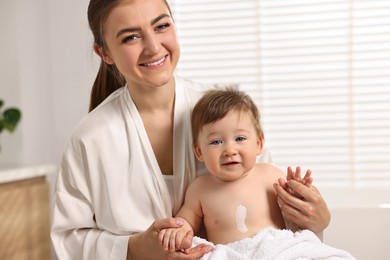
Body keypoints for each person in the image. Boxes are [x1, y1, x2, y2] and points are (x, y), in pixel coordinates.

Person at [50, 0, 331, 259]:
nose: (153, 47)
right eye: (130, 37)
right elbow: (68, 240)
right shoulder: (90, 139)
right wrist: (136, 248)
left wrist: (313, 219)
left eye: (161, 26)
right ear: (104, 53)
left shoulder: (224, 116)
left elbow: (273, 233)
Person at [158, 87, 354, 259]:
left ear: (259, 143)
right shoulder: (199, 188)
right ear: (199, 152)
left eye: (240, 138)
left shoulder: (270, 175)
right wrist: (179, 230)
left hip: (275, 250)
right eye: (216, 141)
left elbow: (297, 212)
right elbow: (185, 222)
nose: (230, 150)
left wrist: (297, 193)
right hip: (230, 253)